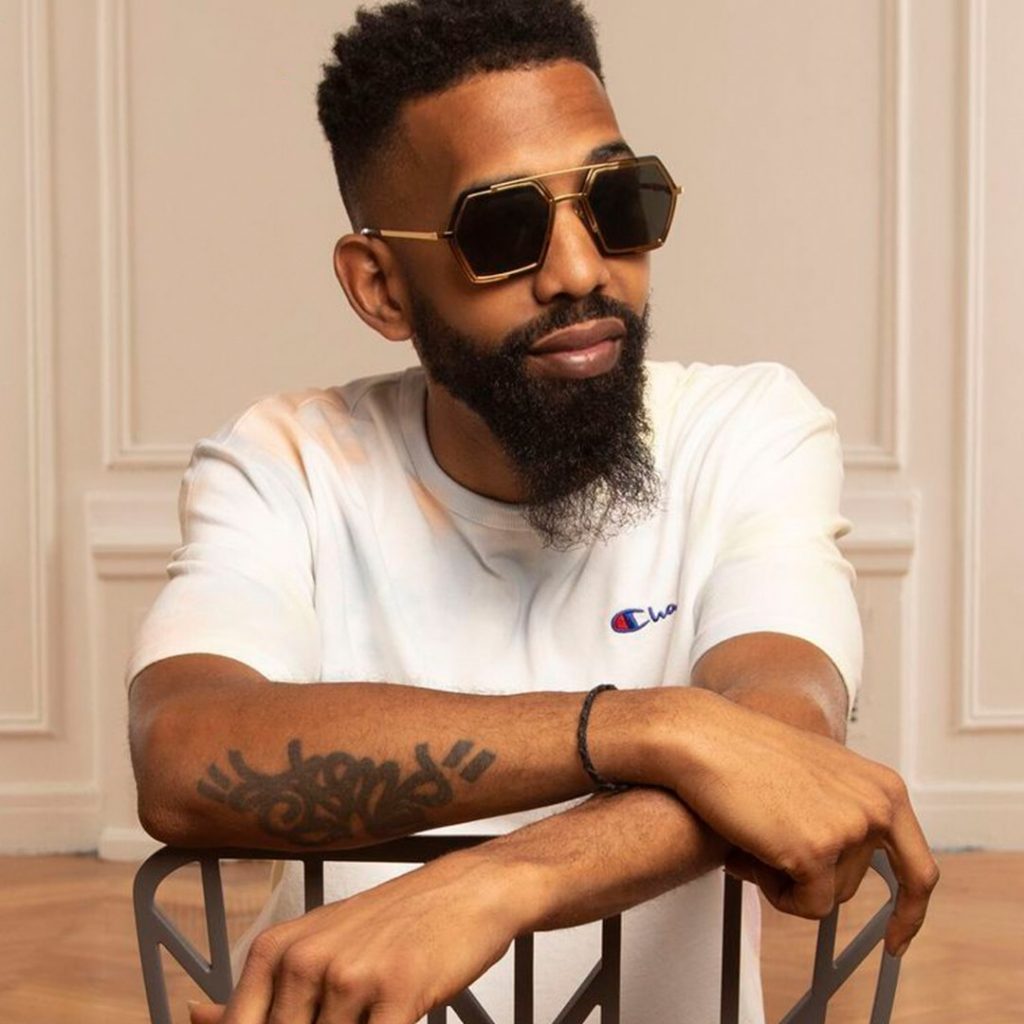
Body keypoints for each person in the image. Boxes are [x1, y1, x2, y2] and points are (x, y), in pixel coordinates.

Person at [126, 2, 939, 1022]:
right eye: (503, 229)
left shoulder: (747, 430)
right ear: (381, 286)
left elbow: (785, 747)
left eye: (616, 202)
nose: (582, 271)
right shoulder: (286, 461)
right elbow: (184, 753)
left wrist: (482, 890)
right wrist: (659, 725)